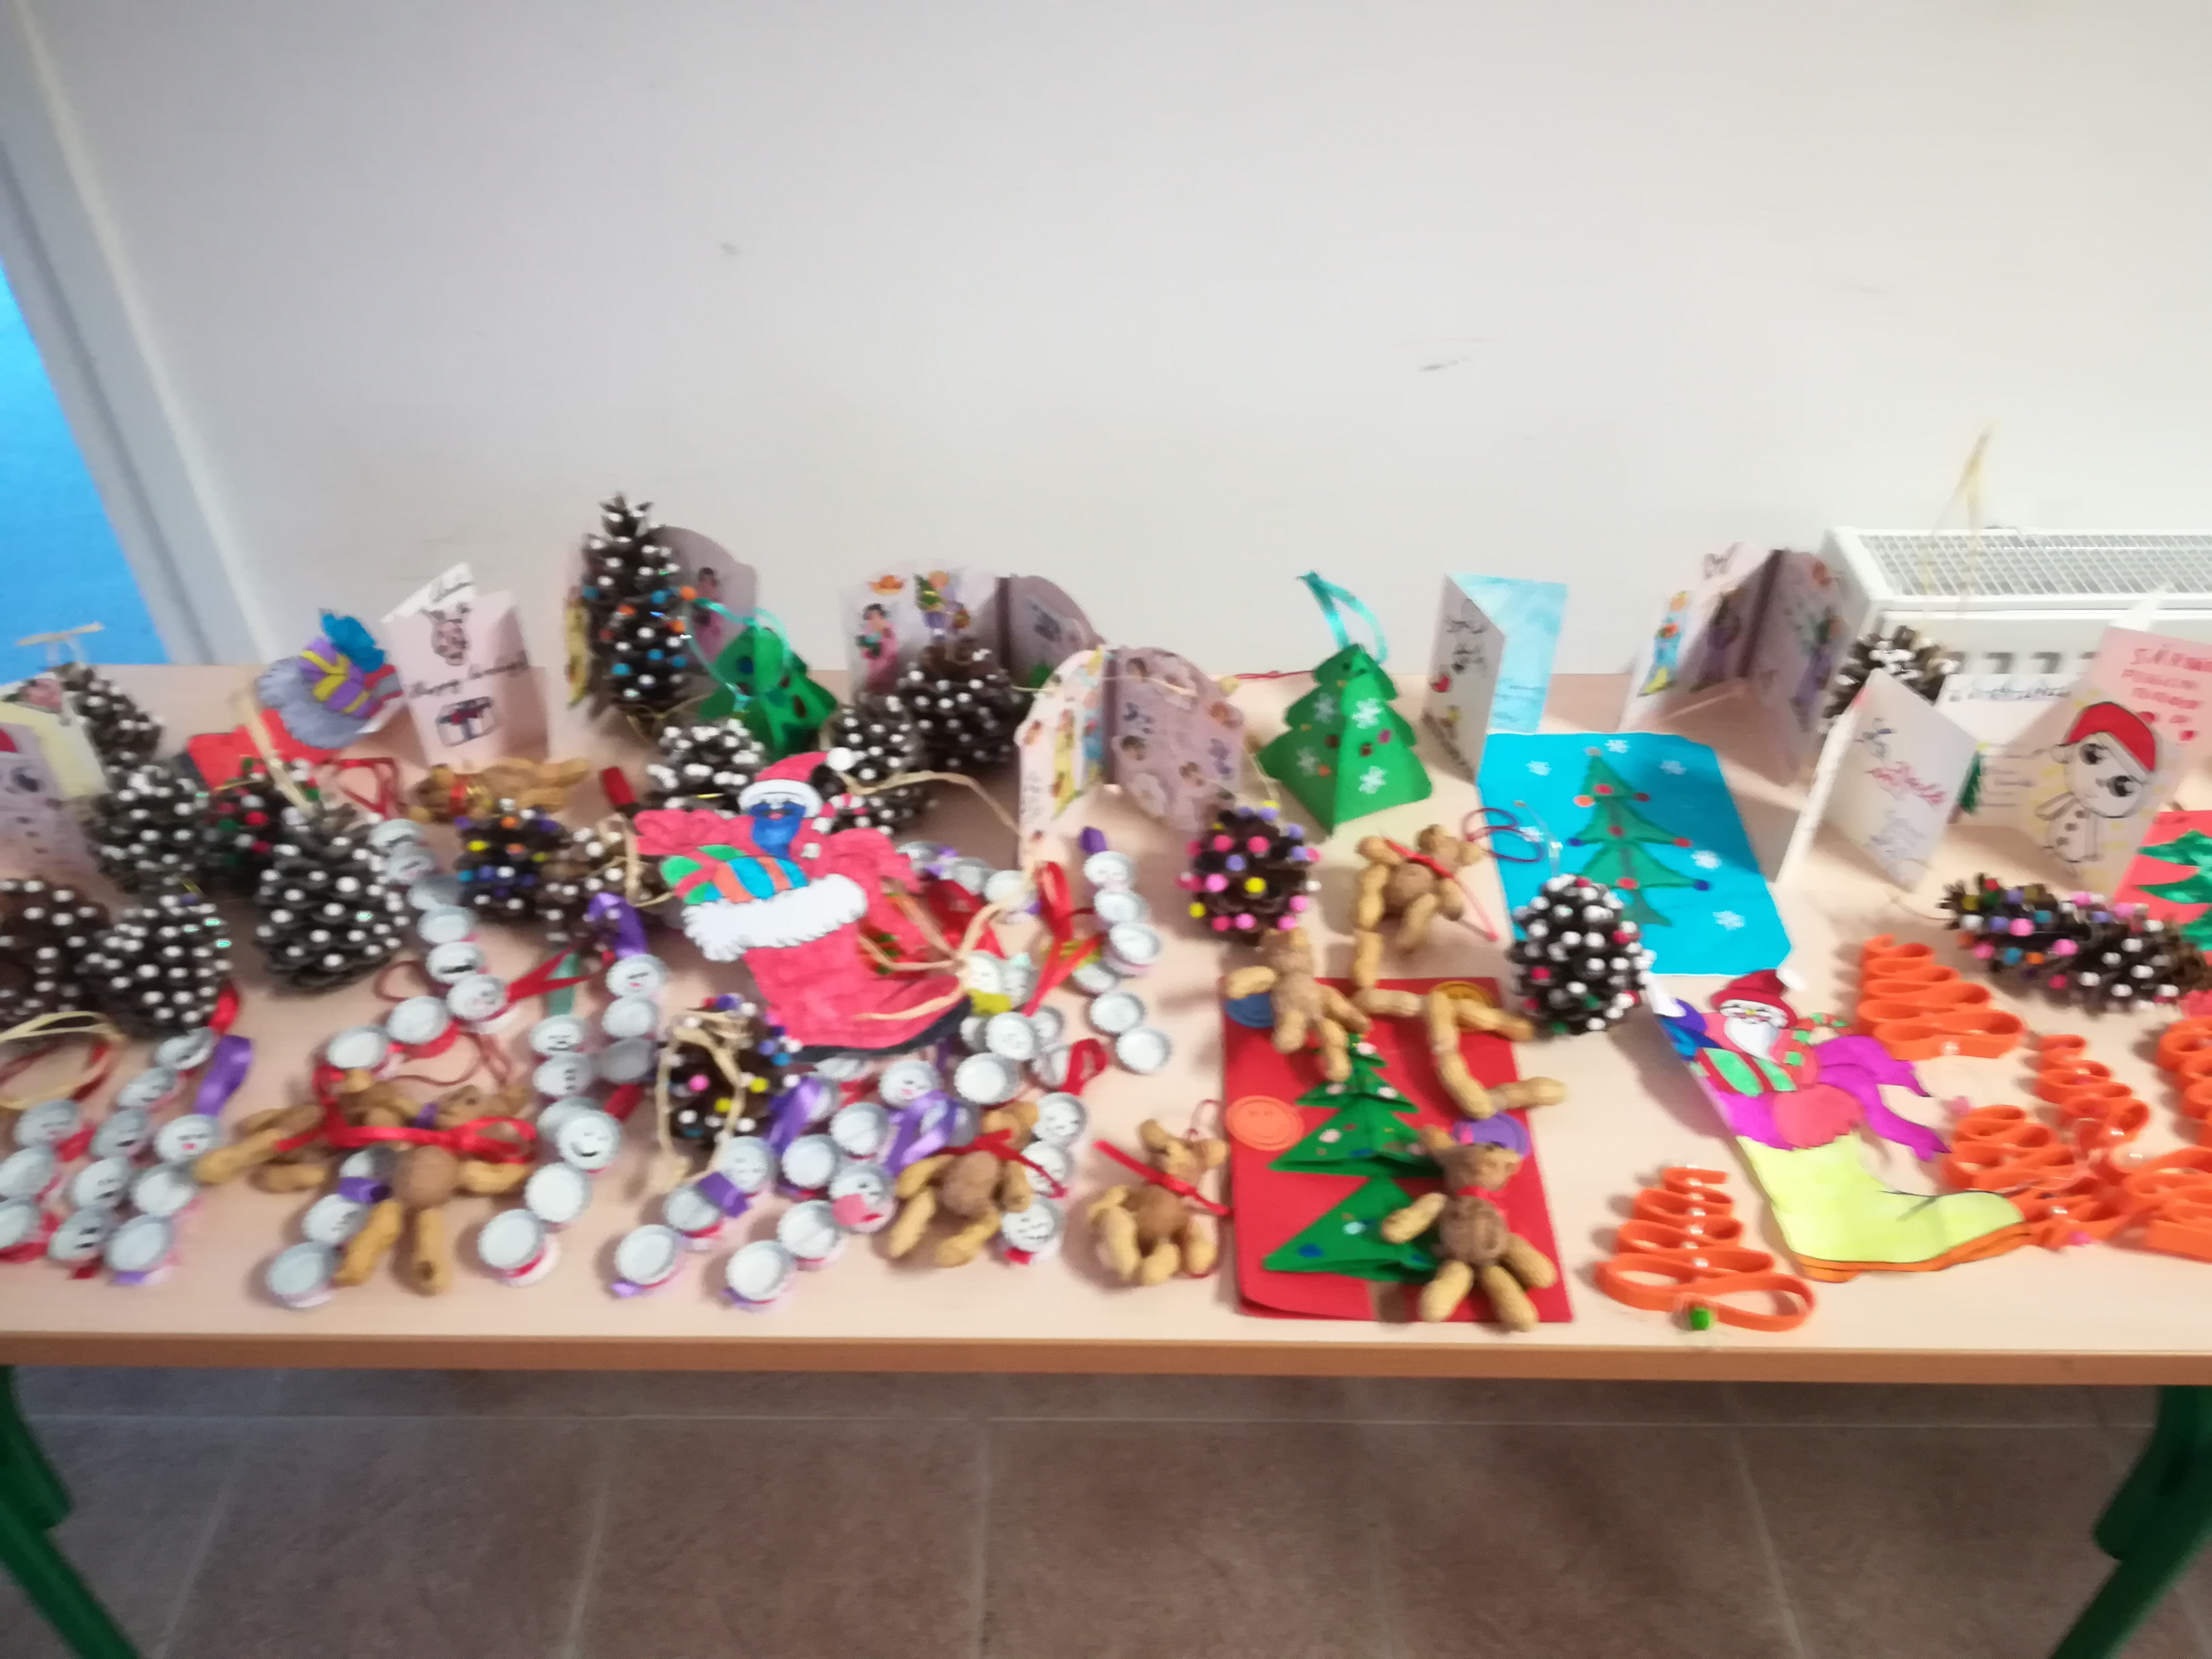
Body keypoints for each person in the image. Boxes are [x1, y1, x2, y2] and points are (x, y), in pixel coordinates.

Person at [2037, 700, 2155, 870]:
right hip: (2038, 847)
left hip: (2074, 857)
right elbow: (2055, 807)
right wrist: (2045, 811)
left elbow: (2091, 833)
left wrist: (2091, 851)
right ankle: (2055, 849)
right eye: (2092, 756)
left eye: (2121, 788)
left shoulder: (2095, 816)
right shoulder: (2074, 799)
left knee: (2075, 847)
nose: (2101, 782)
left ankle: (2071, 860)